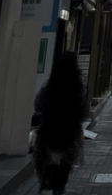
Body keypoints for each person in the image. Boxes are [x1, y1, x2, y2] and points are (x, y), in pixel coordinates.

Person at [32, 52, 86, 194]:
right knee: (63, 168)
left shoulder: (49, 85)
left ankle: (46, 184)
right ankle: (58, 189)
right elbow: (81, 110)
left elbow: (38, 103)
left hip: (49, 131)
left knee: (47, 163)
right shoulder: (77, 87)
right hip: (69, 133)